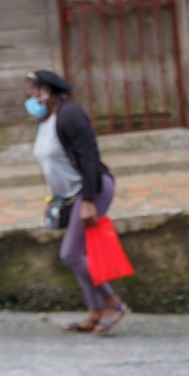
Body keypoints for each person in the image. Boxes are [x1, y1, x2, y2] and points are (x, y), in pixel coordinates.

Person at [25, 70, 128, 334]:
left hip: (91, 189)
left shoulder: (70, 115)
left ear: (46, 90)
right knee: (81, 253)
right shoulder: (47, 120)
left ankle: (113, 303)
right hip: (70, 196)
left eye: (31, 92)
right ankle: (95, 313)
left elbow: (90, 157)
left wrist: (89, 200)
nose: (28, 99)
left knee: (70, 254)